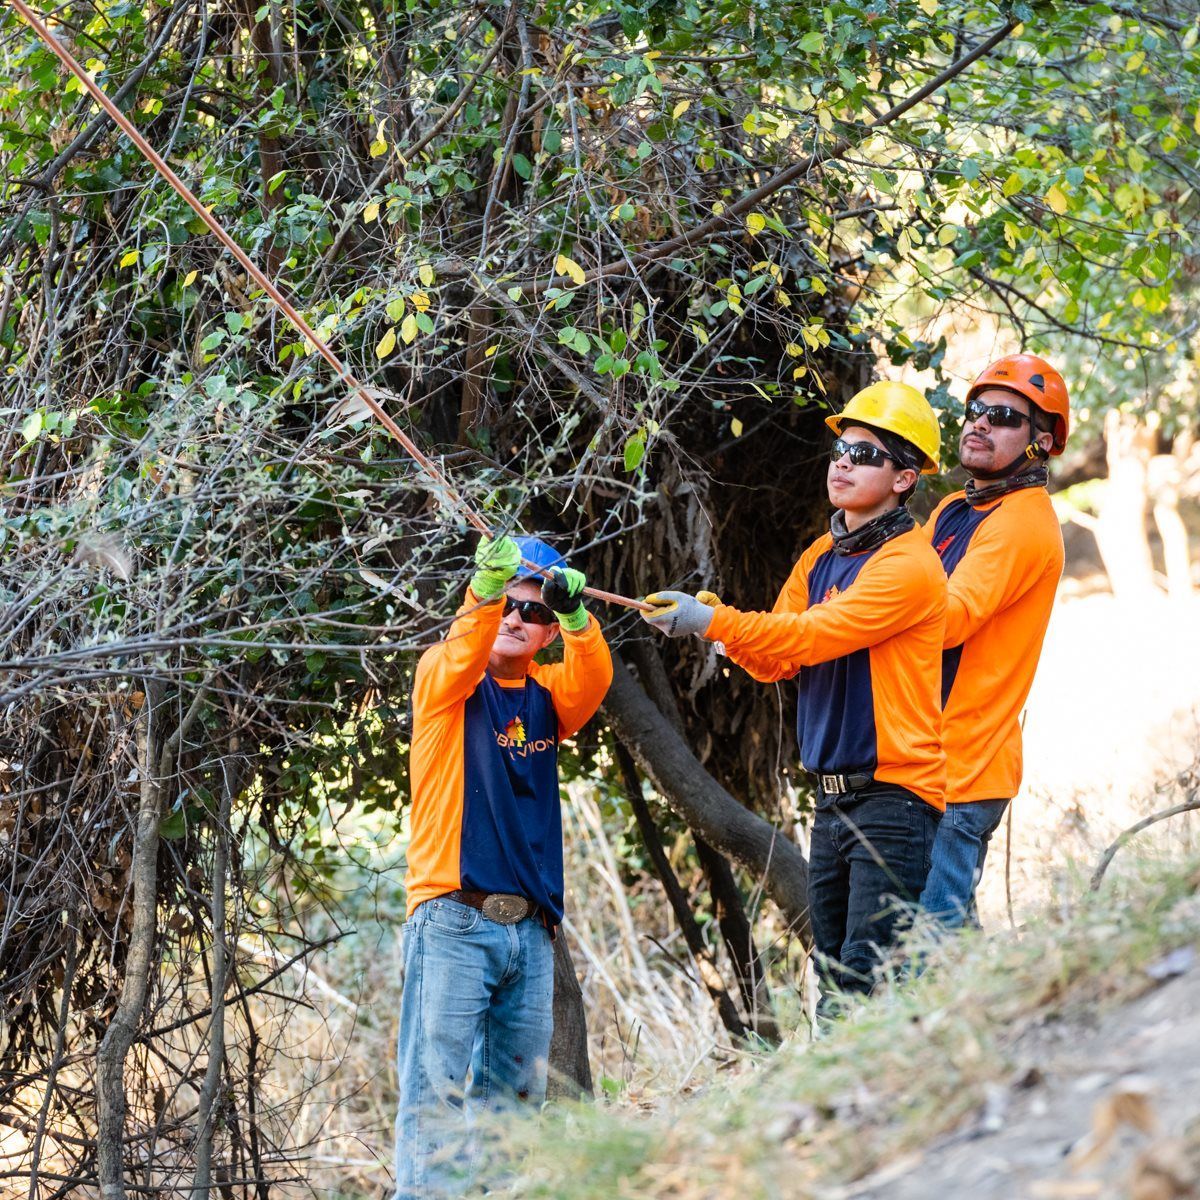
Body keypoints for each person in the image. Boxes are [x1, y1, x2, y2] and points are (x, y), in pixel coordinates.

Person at [641, 382, 947, 1007]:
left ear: (905, 479)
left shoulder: (909, 566)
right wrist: (713, 625)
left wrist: (715, 624)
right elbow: (777, 659)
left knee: (869, 979)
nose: (843, 462)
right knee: (835, 976)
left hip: (897, 800)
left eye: (865, 454)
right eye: (841, 448)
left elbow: (815, 635)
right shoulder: (819, 555)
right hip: (833, 803)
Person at [394, 533, 613, 1199]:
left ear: (548, 634)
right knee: (434, 1092)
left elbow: (593, 676)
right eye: (509, 606)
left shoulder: (549, 697)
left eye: (536, 612)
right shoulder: (445, 679)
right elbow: (464, 649)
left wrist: (578, 617)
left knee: (513, 1107)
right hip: (455, 920)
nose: (519, 619)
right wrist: (481, 594)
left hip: (530, 935)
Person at [919, 354, 1068, 927]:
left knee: (930, 952)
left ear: (1043, 441)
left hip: (964, 766)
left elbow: (945, 619)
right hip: (927, 760)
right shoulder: (957, 510)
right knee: (935, 946)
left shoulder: (1023, 522)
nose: (979, 423)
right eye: (976, 410)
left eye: (1003, 416)